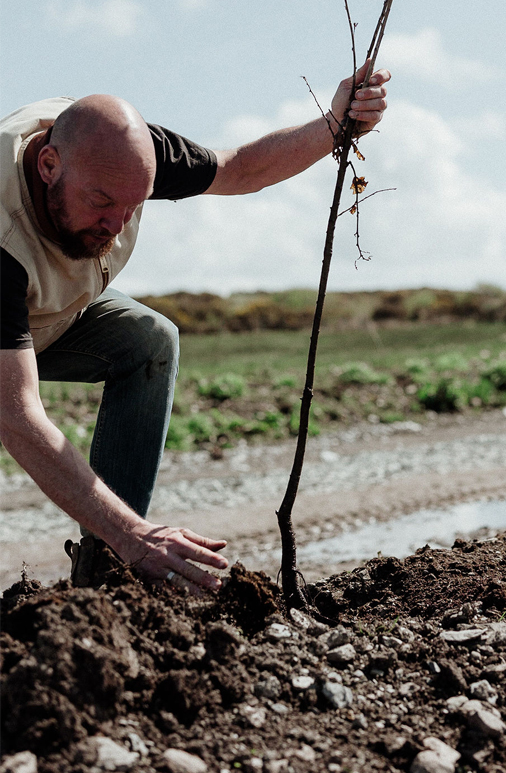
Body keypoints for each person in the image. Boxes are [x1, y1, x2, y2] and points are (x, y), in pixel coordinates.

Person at [0, 63, 389, 594]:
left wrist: (335, 125)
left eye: (133, 206)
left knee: (148, 340)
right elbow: (18, 416)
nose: (116, 228)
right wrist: (138, 535)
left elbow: (239, 168)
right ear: (48, 165)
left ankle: (108, 577)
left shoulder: (122, 154)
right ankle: (128, 545)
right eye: (102, 205)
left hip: (48, 315)